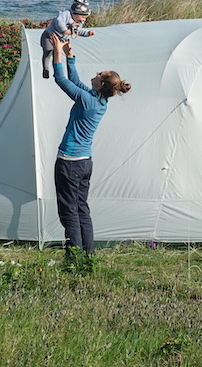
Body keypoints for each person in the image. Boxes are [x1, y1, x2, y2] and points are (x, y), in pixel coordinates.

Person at [49, 33, 131, 269]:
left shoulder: (87, 100)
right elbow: (75, 82)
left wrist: (56, 51)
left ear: (102, 83)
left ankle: (73, 259)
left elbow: (62, 81)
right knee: (82, 209)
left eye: (99, 74)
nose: (95, 74)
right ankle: (88, 257)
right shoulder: (98, 100)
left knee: (69, 213)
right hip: (85, 163)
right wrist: (69, 56)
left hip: (70, 162)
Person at [40, 0, 95, 79]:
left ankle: (56, 71)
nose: (83, 20)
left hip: (61, 39)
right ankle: (46, 68)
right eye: (82, 17)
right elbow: (59, 21)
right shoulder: (66, 14)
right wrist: (64, 30)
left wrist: (87, 33)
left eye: (85, 18)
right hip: (49, 36)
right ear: (75, 14)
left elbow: (78, 31)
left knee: (57, 55)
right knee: (48, 52)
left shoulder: (78, 22)